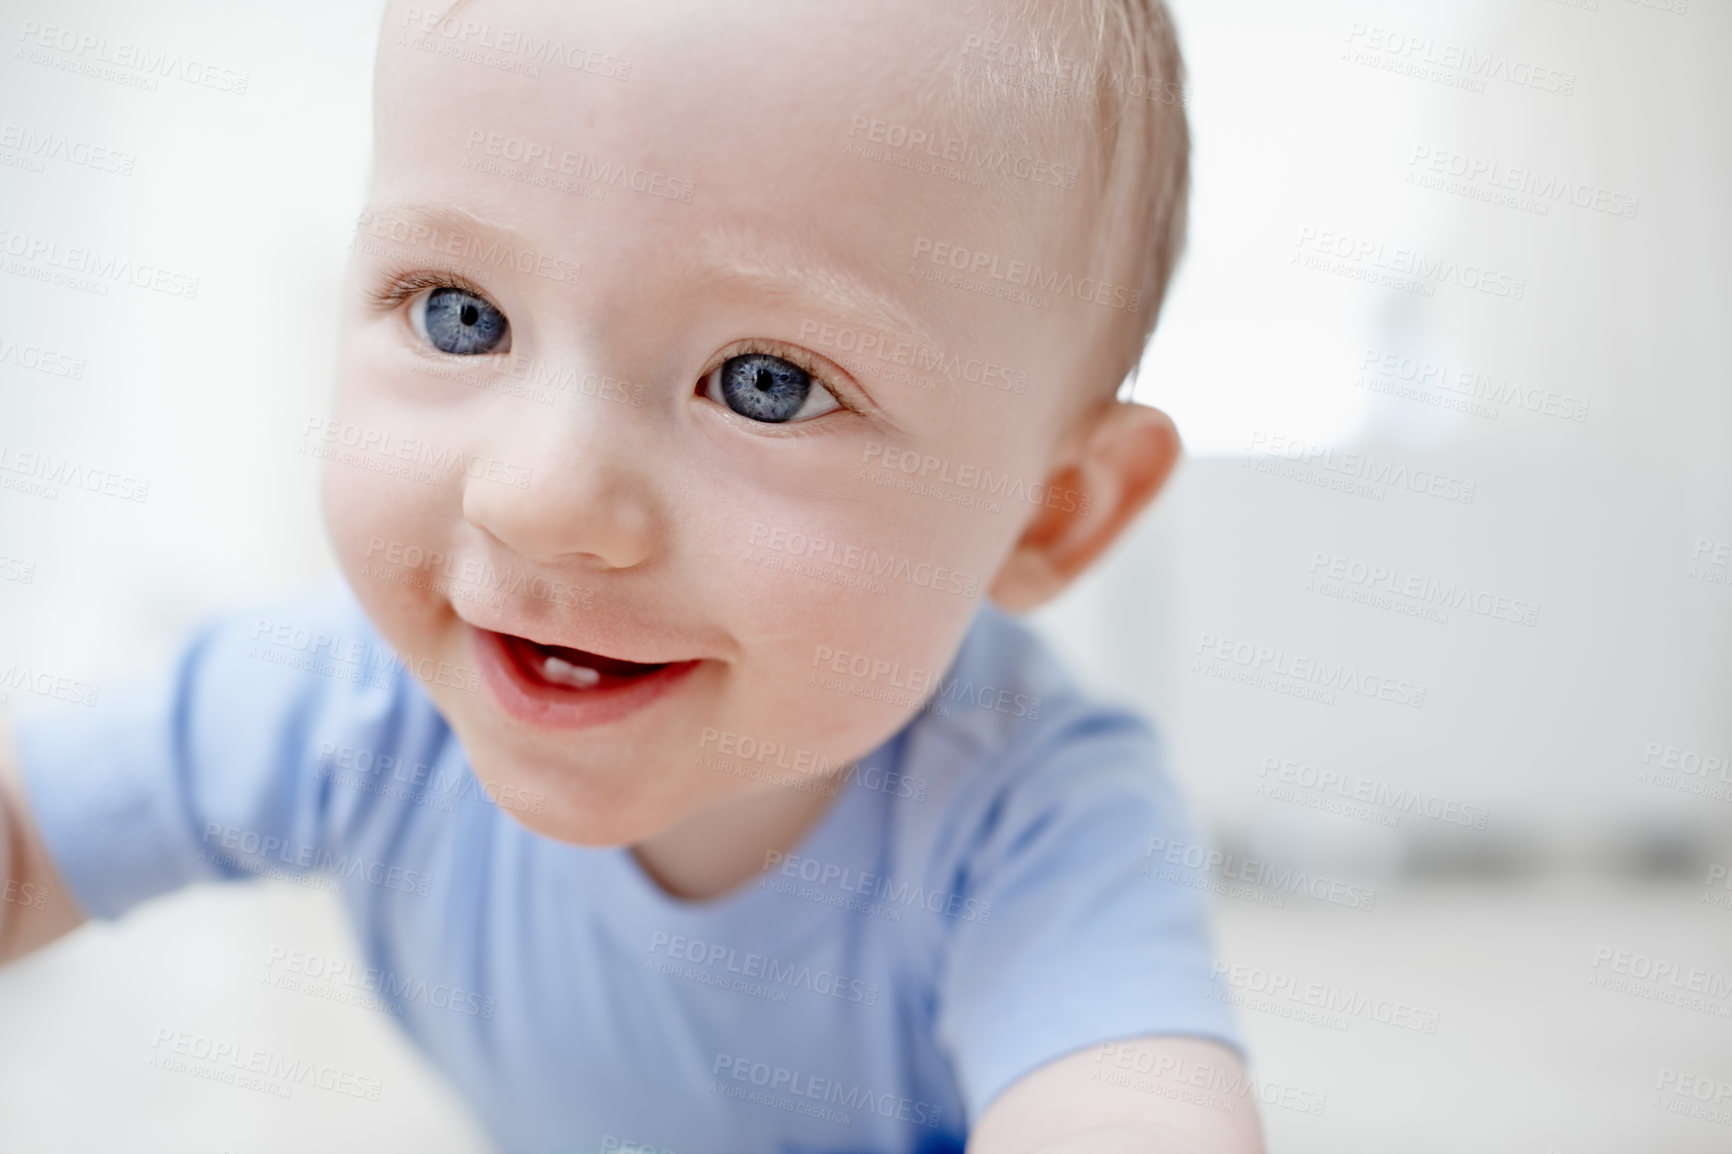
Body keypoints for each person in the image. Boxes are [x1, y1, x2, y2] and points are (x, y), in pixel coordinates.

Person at [0, 1, 1264, 1150]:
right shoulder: (343, 700)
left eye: (768, 383)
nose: (541, 497)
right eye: (459, 313)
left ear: (1050, 514)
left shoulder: (1034, 822)